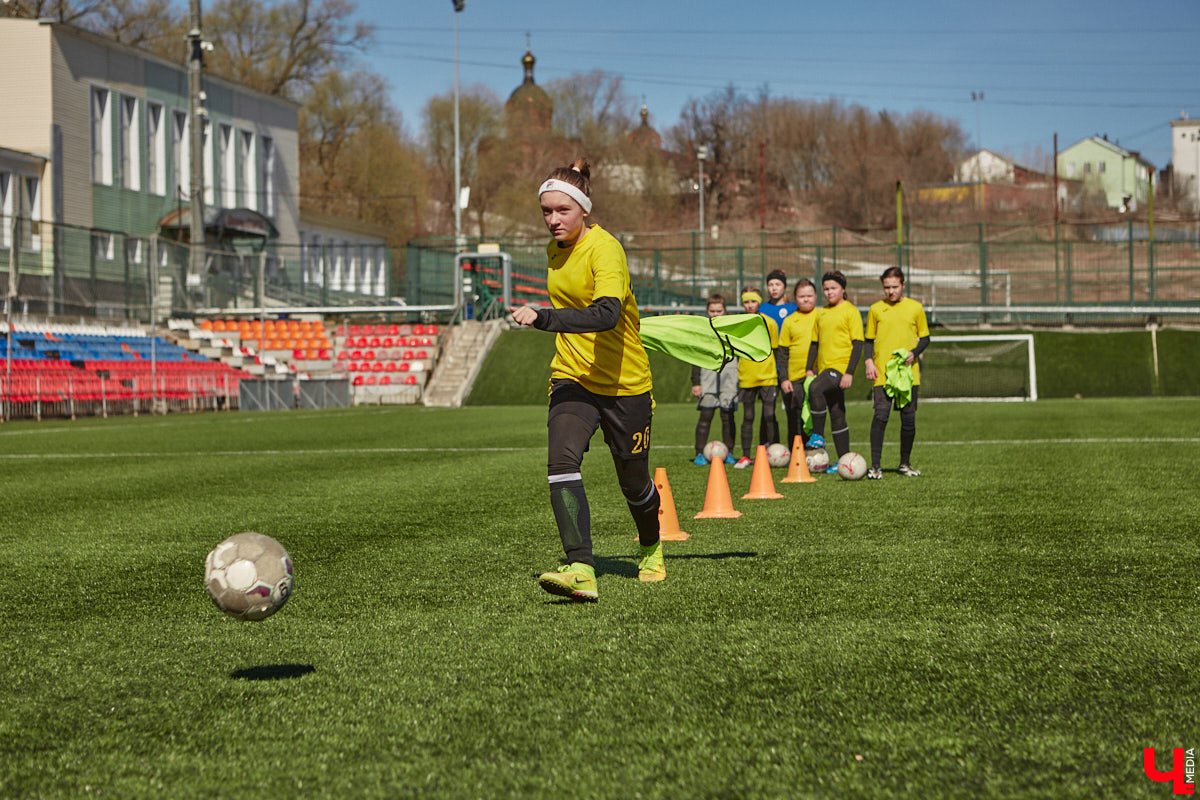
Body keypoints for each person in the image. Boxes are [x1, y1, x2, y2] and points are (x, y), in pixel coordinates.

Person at [510, 157, 664, 603]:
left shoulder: (606, 249)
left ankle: (651, 546)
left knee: (633, 480)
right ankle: (581, 567)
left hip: (625, 383)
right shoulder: (553, 250)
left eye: (562, 210)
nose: (553, 220)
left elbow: (606, 313)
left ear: (584, 210)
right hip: (573, 377)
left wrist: (544, 317)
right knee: (561, 462)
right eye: (546, 211)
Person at [864, 266, 930, 479]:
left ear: (903, 285)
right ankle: (875, 467)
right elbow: (868, 340)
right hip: (882, 372)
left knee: (908, 419)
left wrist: (914, 353)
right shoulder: (875, 309)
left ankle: (905, 464)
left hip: (908, 373)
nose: (890, 291)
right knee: (880, 416)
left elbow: (926, 338)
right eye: (886, 287)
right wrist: (868, 362)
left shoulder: (916, 308)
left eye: (894, 287)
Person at [805, 270, 864, 469]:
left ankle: (818, 435)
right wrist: (808, 368)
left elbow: (857, 344)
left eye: (833, 288)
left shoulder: (851, 311)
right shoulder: (821, 313)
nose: (829, 292)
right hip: (823, 369)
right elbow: (814, 344)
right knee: (837, 412)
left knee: (815, 389)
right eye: (826, 289)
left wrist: (849, 372)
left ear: (843, 289)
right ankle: (843, 460)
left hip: (839, 368)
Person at [733, 286, 780, 469]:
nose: (750, 305)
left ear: (759, 301)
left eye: (753, 301)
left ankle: (771, 453)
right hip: (747, 375)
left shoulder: (770, 323)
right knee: (748, 416)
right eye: (746, 301)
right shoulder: (738, 323)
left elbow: (774, 348)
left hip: (768, 375)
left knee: (769, 415)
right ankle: (746, 456)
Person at [691, 293, 738, 466]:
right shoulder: (702, 331)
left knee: (728, 416)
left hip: (729, 377)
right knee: (706, 415)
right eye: (712, 311)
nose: (715, 314)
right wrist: (696, 382)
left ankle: (730, 451)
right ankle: (699, 453)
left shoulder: (732, 329)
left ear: (725, 311)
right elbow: (695, 358)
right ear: (707, 311)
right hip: (708, 377)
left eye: (719, 310)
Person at [775, 278, 820, 450]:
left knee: (814, 417)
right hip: (794, 378)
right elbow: (783, 353)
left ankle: (815, 455)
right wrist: (784, 378)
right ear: (795, 298)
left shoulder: (821, 316)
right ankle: (796, 456)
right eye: (802, 296)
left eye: (809, 295)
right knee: (794, 418)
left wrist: (816, 370)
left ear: (816, 296)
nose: (806, 299)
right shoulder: (789, 321)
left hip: (815, 376)